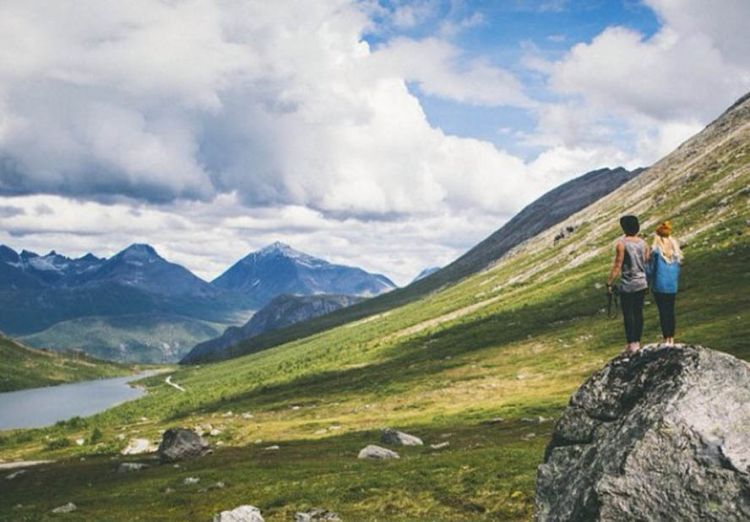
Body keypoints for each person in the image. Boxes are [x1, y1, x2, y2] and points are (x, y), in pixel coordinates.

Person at [607, 215, 650, 354]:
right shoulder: (644, 244)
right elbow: (647, 263)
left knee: (628, 314)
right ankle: (637, 342)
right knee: (638, 312)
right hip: (642, 282)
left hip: (628, 284)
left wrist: (609, 282)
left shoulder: (621, 244)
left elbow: (618, 265)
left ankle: (631, 343)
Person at [648, 221, 682, 346]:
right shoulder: (676, 251)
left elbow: (651, 269)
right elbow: (678, 269)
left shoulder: (656, 251)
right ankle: (671, 338)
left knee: (663, 312)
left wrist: (646, 280)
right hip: (672, 286)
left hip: (659, 285)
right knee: (670, 311)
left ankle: (666, 338)